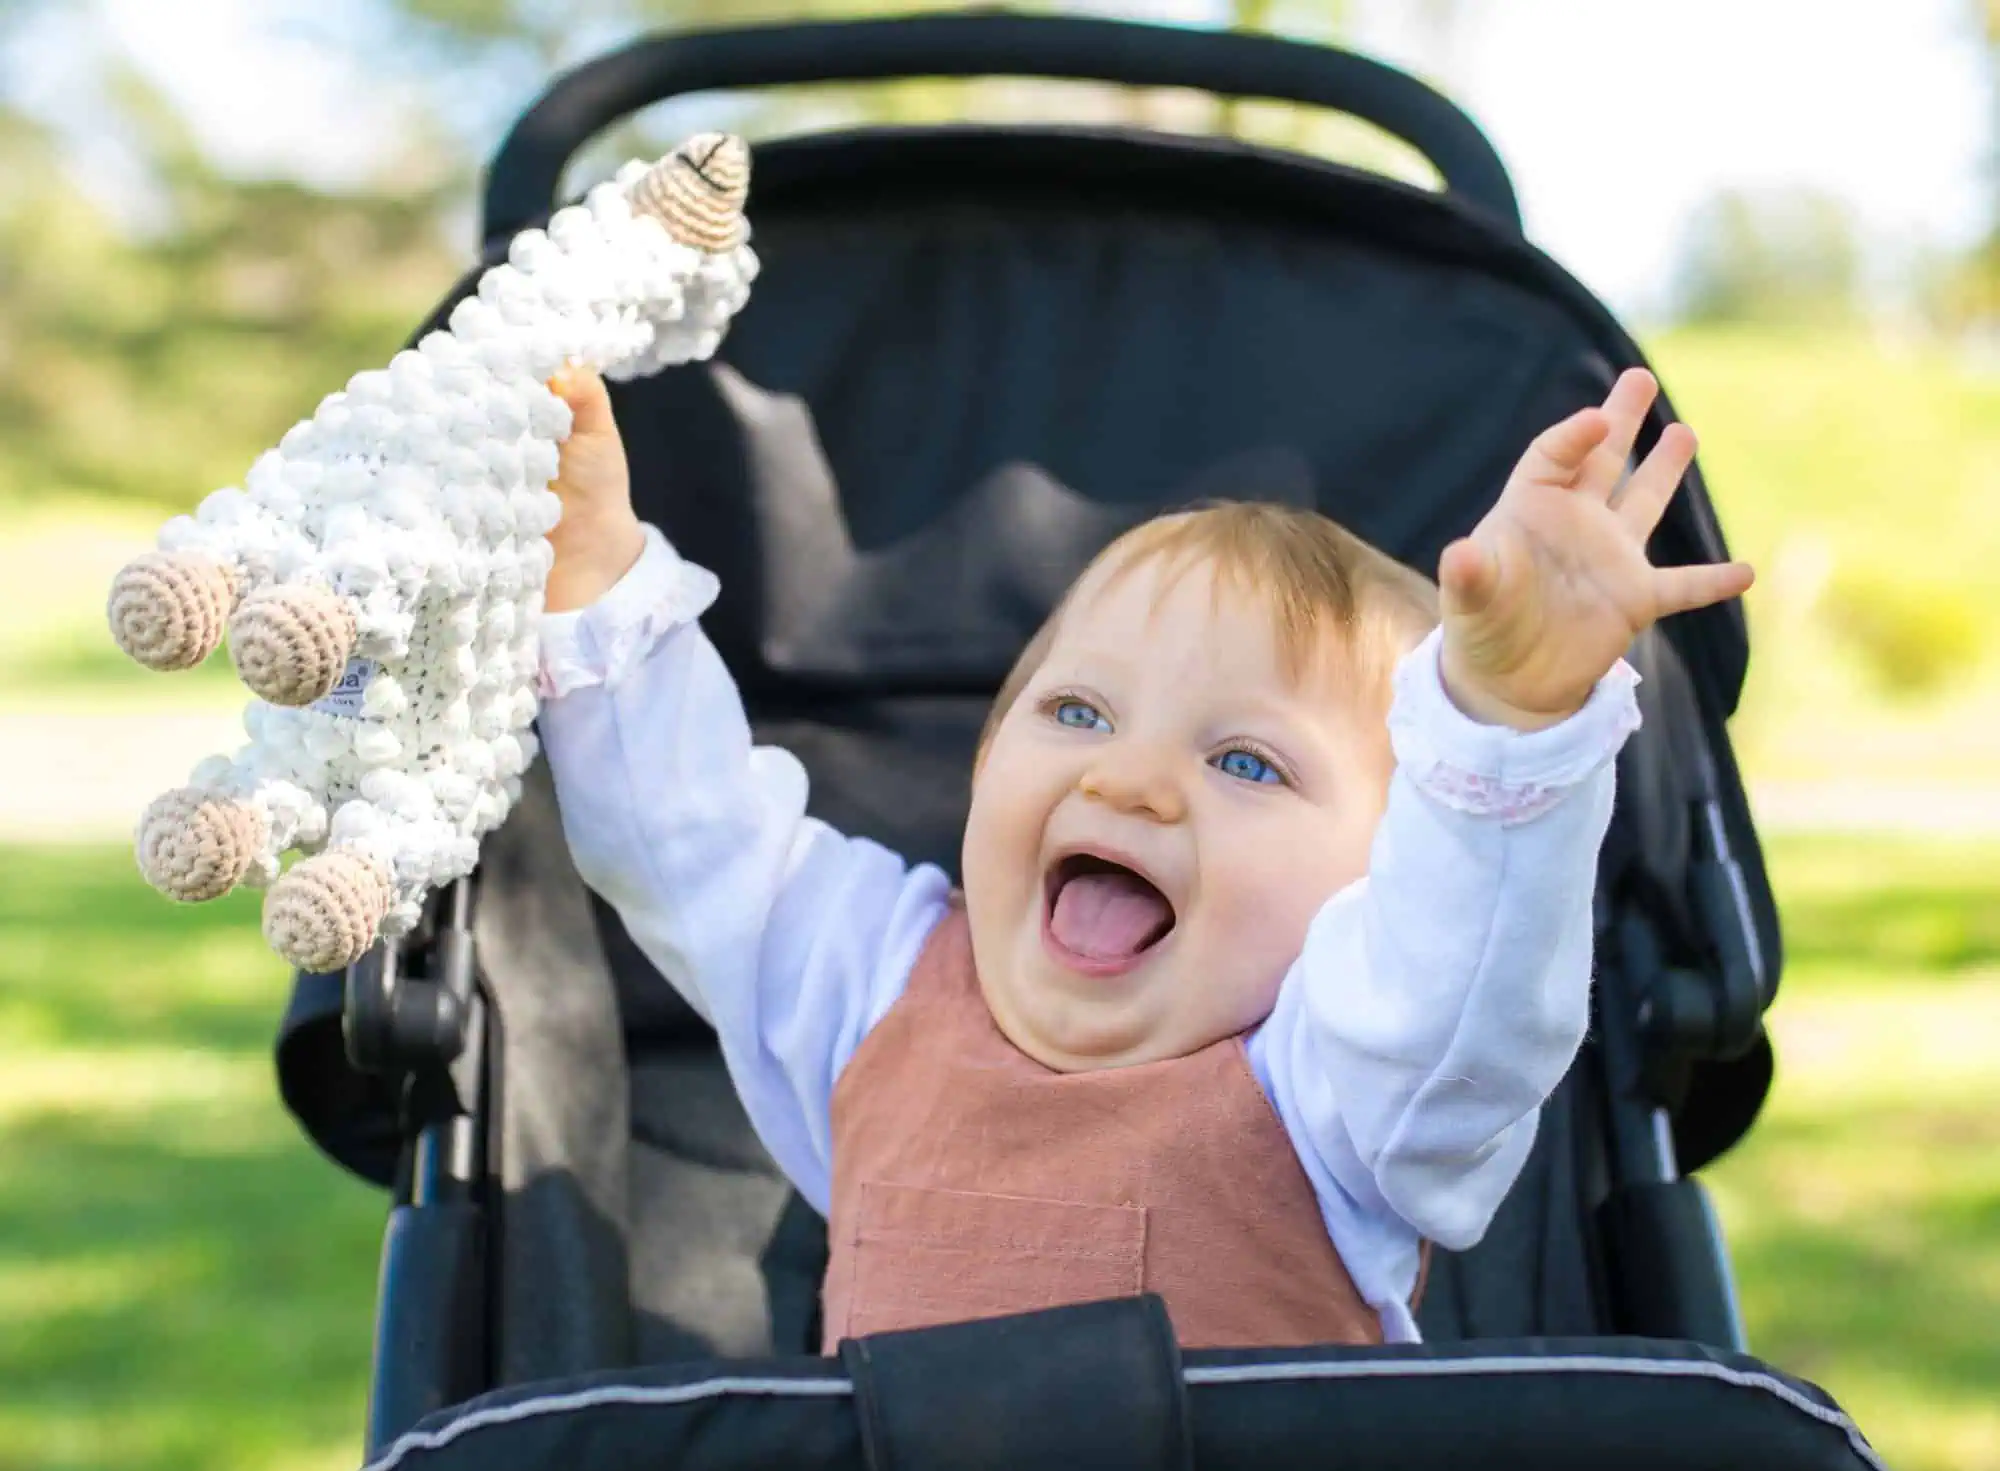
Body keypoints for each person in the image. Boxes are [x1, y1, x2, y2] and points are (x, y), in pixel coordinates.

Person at [534, 364, 1753, 1351]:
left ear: (1380, 883)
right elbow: (686, 834)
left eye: (1244, 763)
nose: (1125, 780)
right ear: (982, 764)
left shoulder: (1343, 1086)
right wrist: (593, 580)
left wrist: (1506, 726)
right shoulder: (867, 987)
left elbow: (1467, 985)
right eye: (1075, 713)